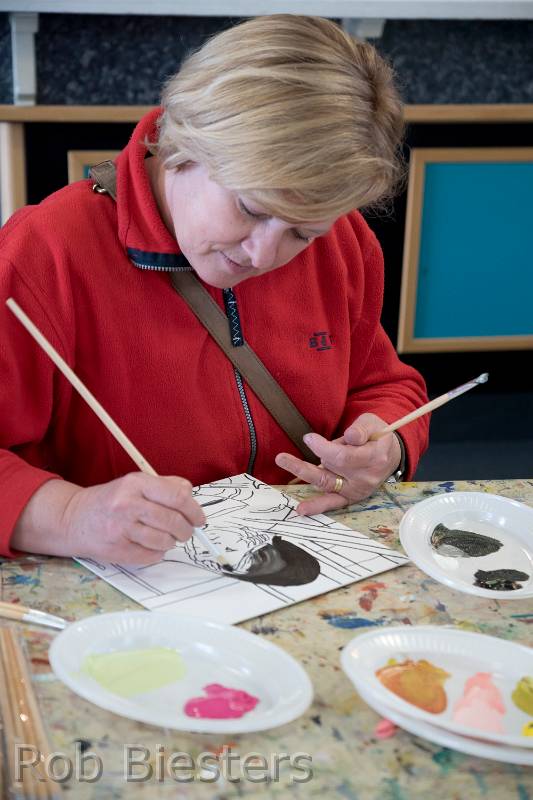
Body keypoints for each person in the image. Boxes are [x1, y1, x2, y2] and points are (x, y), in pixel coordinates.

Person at [0, 15, 429, 566]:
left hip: (301, 559)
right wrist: (69, 515)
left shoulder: (343, 242)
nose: (264, 256)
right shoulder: (44, 253)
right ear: (186, 141)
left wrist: (387, 447)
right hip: (131, 579)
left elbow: (383, 384)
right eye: (251, 208)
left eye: (302, 233)